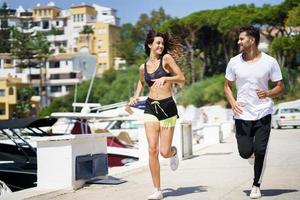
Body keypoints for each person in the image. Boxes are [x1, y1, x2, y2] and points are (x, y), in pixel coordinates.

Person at [224, 25, 284, 199]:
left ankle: (256, 184)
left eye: (242, 39)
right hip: (242, 113)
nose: (238, 41)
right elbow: (227, 86)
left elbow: (280, 86)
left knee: (260, 150)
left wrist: (268, 93)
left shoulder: (269, 62)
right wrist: (232, 102)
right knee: (244, 152)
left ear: (252, 40)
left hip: (263, 112)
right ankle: (252, 156)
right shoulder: (234, 62)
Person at [128, 29, 185, 200]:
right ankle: (157, 189)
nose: (161, 46)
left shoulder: (166, 59)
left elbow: (181, 78)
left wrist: (167, 79)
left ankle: (173, 153)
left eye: (162, 43)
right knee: (152, 149)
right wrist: (136, 96)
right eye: (157, 43)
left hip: (167, 107)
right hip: (150, 107)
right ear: (149, 45)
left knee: (163, 151)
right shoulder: (142, 67)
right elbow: (141, 81)